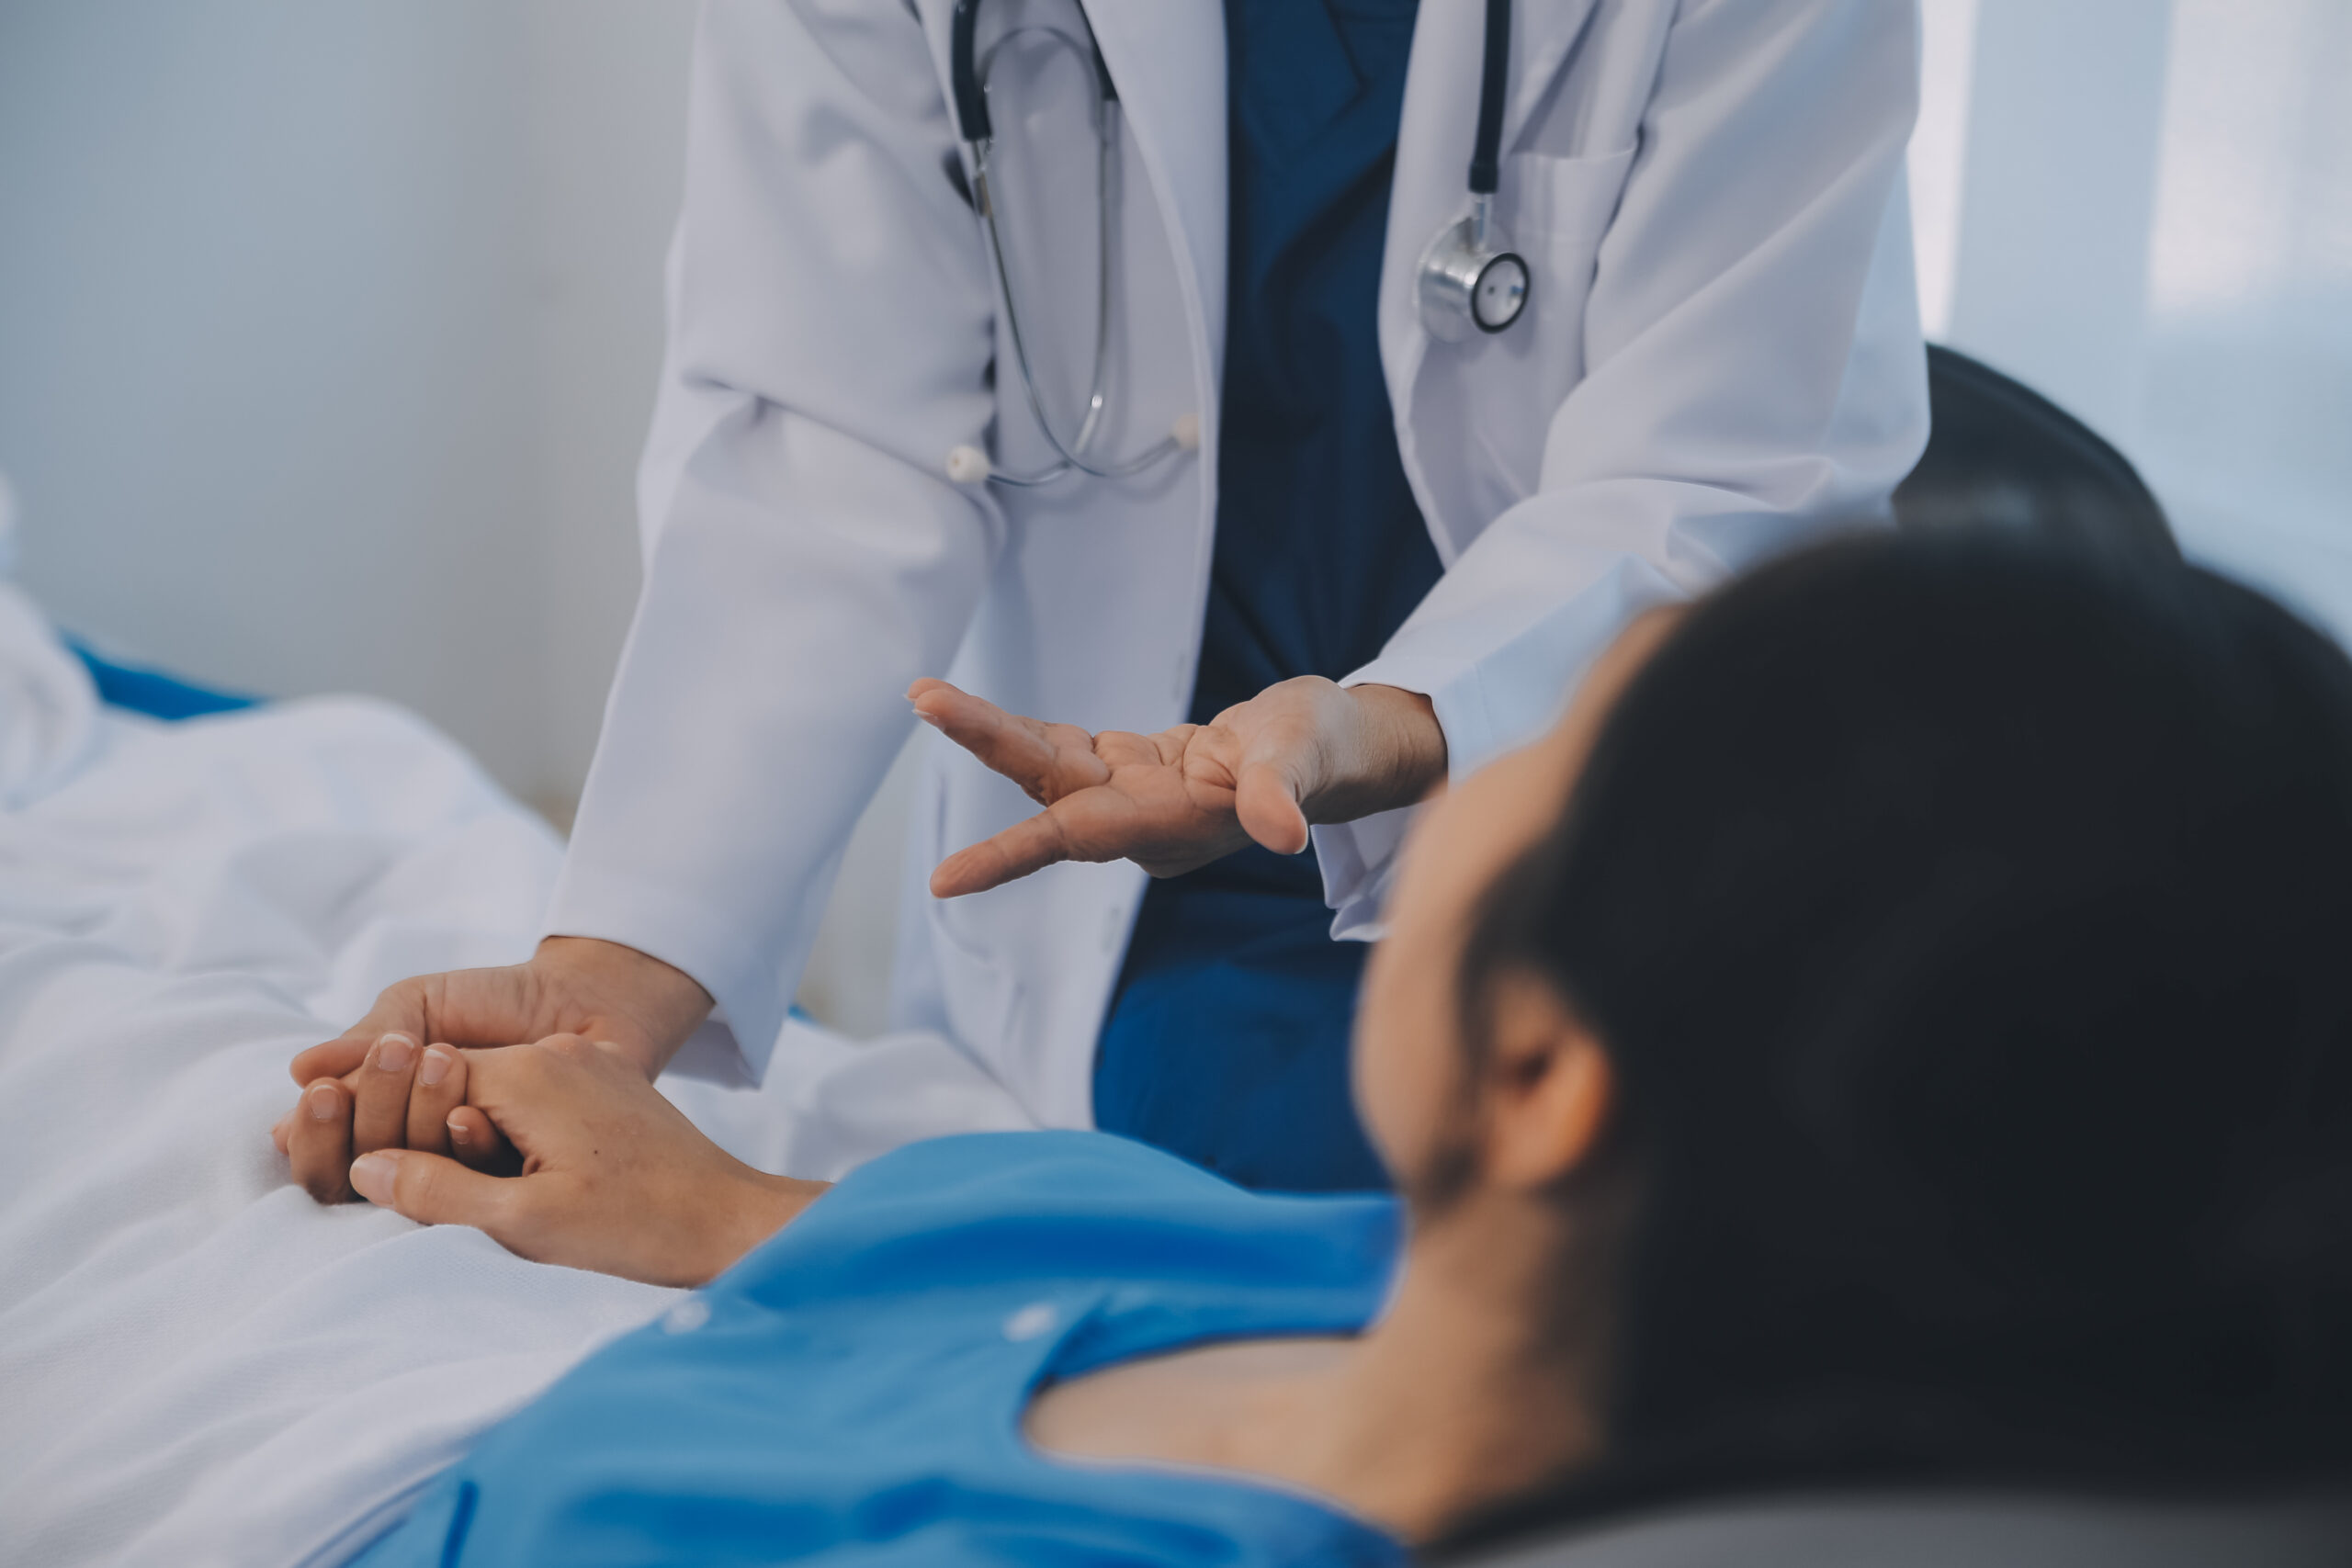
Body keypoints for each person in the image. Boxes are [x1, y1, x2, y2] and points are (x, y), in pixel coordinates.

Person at [328, 531, 2352, 1562]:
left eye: (1556, 752)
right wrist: (708, 1204)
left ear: (1547, 1075)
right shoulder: (1392, 1269)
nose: (1479, 762)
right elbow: (950, 1251)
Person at [277, 0, 1928, 1197]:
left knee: (1502, 1222)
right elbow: (823, 437)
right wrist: (624, 961)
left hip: (1579, 823)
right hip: (1144, 872)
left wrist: (1403, 721)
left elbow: (1729, 478)